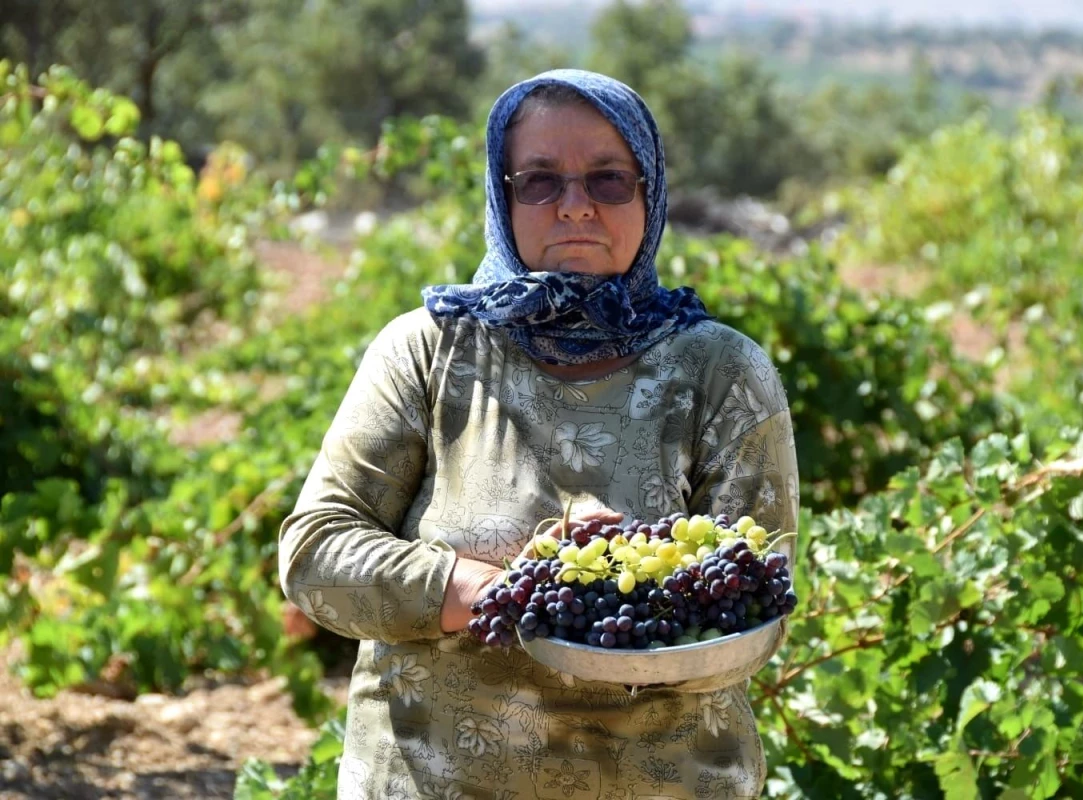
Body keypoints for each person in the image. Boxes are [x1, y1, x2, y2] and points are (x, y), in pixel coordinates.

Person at [279, 69, 800, 800]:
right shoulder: (429, 351)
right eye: (540, 181)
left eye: (610, 180)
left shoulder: (722, 372)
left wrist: (619, 594)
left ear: (649, 195)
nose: (576, 207)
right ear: (503, 194)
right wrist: (484, 591)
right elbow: (315, 553)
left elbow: (759, 610)